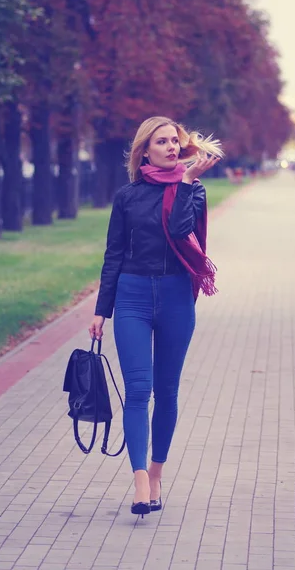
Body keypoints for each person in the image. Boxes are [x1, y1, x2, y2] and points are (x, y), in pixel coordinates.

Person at [89, 116, 223, 517]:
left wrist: (183, 185)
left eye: (174, 142)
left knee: (166, 391)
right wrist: (101, 308)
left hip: (176, 296)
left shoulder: (193, 192)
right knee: (138, 391)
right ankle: (140, 482)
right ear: (144, 150)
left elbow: (181, 231)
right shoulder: (126, 197)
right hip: (131, 297)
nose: (170, 148)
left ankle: (157, 472)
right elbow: (114, 253)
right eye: (161, 142)